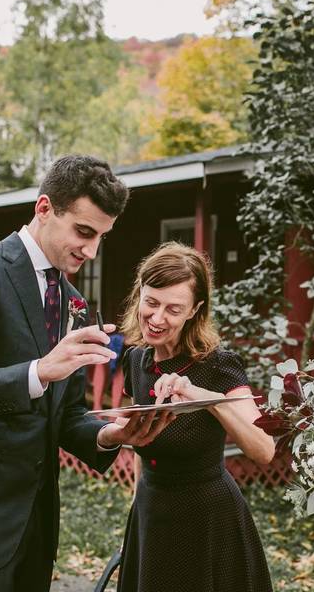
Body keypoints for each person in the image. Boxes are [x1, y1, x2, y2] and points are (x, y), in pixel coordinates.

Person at [0, 155, 173, 592]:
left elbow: (64, 417)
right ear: (44, 208)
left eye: (102, 237)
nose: (91, 250)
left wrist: (111, 435)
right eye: (84, 232)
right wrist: (38, 371)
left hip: (35, 527)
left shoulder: (74, 301)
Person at [115, 242, 275, 592]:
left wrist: (209, 400)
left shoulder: (219, 366)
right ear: (140, 293)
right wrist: (137, 514)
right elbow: (142, 440)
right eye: (151, 302)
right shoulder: (137, 361)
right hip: (151, 514)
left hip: (206, 522)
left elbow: (263, 449)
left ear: (195, 310)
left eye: (174, 309)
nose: (157, 319)